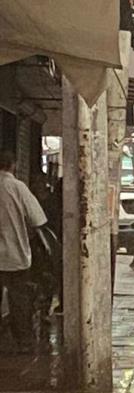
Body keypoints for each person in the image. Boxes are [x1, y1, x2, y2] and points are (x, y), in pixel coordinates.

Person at [0, 151, 48, 353]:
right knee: (19, 301)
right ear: (13, 165)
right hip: (15, 256)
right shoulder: (18, 188)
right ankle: (24, 343)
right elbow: (38, 219)